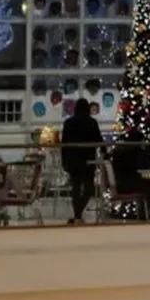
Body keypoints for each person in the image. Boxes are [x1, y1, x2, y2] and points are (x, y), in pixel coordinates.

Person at [60, 95, 104, 223]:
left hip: (73, 161)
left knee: (76, 187)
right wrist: (104, 152)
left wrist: (64, 160)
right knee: (89, 188)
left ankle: (77, 213)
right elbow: (99, 141)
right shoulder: (92, 122)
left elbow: (64, 144)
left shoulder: (68, 123)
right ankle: (78, 212)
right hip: (88, 161)